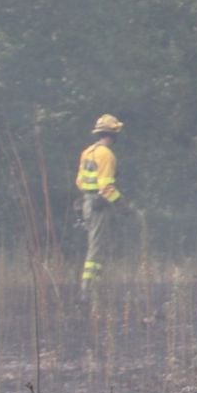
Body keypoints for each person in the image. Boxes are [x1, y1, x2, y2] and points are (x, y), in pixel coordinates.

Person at [76, 114, 126, 288]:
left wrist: (86, 198)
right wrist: (122, 205)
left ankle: (94, 284)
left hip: (87, 203)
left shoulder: (87, 152)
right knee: (96, 246)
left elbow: (80, 182)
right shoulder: (106, 155)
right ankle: (87, 288)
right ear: (112, 135)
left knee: (100, 244)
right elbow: (106, 188)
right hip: (99, 205)